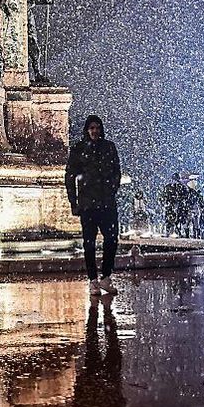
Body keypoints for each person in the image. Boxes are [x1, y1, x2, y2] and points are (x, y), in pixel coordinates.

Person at [66, 114, 122, 296]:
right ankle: (93, 280)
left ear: (101, 129)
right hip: (88, 204)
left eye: (97, 127)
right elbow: (70, 176)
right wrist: (73, 201)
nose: (95, 131)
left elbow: (116, 172)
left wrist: (112, 189)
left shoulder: (109, 147)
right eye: (91, 128)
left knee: (112, 240)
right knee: (89, 244)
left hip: (106, 202)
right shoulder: (79, 149)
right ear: (87, 130)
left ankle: (106, 276)